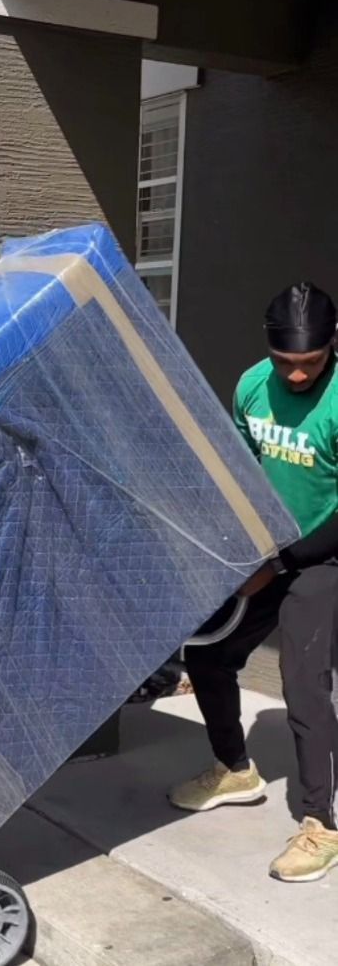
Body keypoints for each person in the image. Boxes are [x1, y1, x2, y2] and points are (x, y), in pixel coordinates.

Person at [169, 282, 338, 883]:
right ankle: (235, 769)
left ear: (332, 345)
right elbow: (238, 469)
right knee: (208, 651)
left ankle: (320, 823)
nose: (296, 376)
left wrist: (280, 565)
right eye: (285, 362)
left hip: (324, 558)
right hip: (268, 549)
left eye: (310, 364)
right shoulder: (249, 387)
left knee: (303, 678)